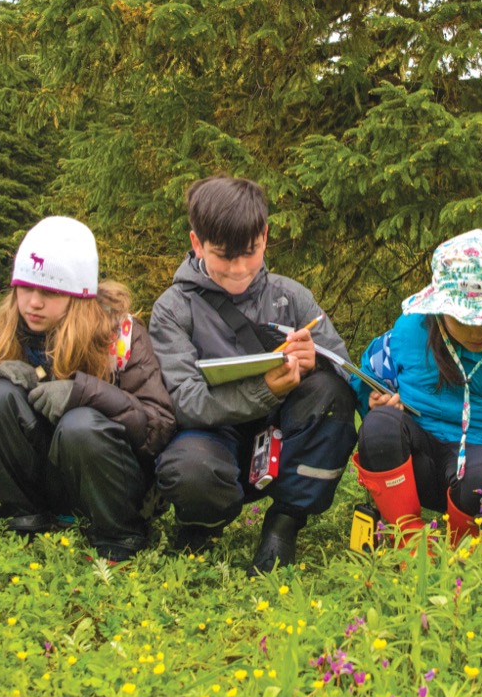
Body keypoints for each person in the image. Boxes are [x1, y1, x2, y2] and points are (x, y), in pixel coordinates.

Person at [149, 177, 359, 573]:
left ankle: (285, 522)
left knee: (329, 394)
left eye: (250, 252)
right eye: (223, 256)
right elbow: (183, 401)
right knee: (190, 471)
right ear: (197, 244)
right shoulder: (171, 309)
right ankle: (204, 521)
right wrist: (262, 391)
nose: (239, 268)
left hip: (281, 435)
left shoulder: (292, 296)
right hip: (210, 437)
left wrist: (318, 361)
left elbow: (344, 372)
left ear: (264, 236)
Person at [0, 217, 175, 560]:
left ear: (78, 296)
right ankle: (20, 527)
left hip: (111, 484)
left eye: (49, 292)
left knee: (81, 425)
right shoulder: (11, 330)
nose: (33, 303)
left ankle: (118, 540)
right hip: (43, 481)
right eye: (25, 288)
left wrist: (82, 392)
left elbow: (158, 428)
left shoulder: (121, 335)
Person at [351, 230, 482, 546]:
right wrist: (374, 400)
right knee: (379, 426)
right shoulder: (404, 338)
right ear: (440, 310)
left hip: (477, 463)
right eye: (467, 319)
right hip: (414, 461)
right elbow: (364, 382)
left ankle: (463, 556)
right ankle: (405, 542)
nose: (481, 331)